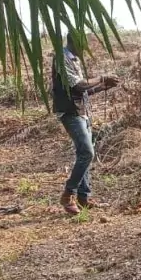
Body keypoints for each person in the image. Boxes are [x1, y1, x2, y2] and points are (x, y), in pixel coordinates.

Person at [51, 33, 119, 215]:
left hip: (81, 111)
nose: (87, 49)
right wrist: (102, 78)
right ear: (75, 42)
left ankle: (83, 197)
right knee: (87, 152)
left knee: (84, 153)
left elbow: (83, 91)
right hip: (70, 111)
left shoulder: (74, 59)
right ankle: (68, 194)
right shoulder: (62, 58)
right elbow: (79, 86)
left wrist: (103, 87)